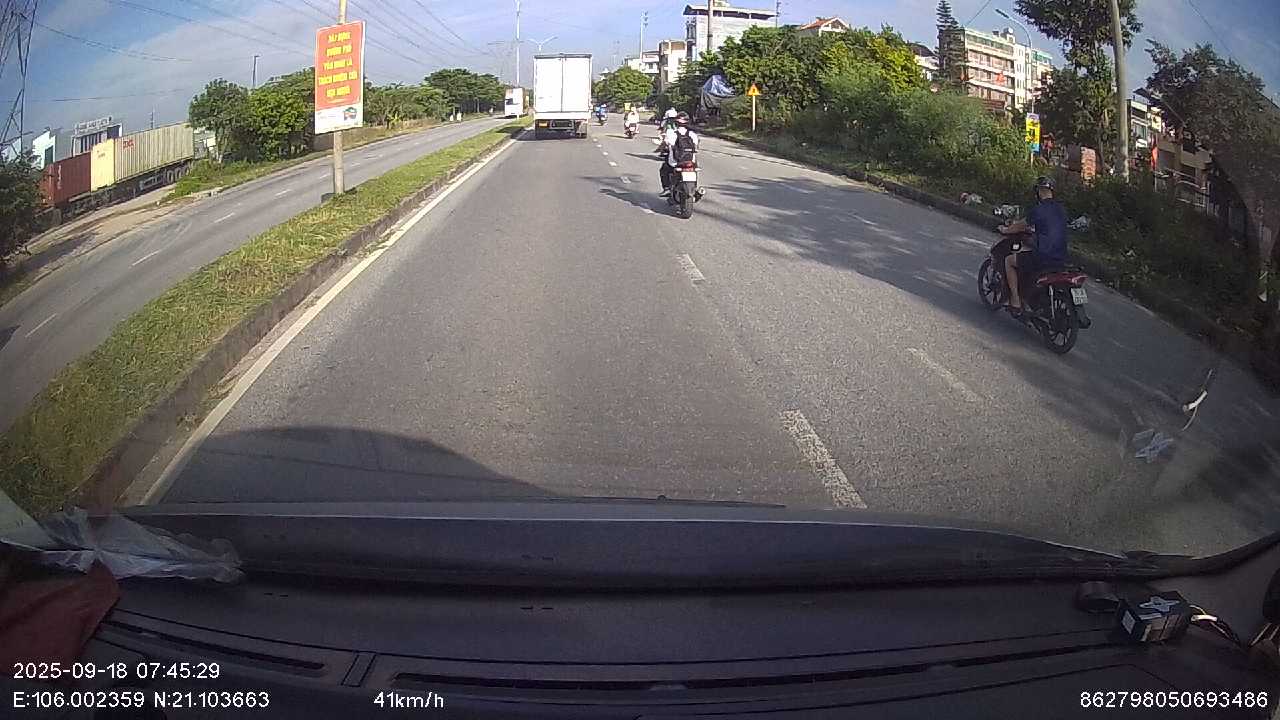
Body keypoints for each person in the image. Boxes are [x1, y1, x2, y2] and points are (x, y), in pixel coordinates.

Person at [997, 175, 1068, 313]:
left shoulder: (1039, 209)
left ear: (1039, 191)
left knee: (1009, 261)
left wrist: (1005, 230)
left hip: (1043, 257)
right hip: (1061, 258)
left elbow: (1020, 226)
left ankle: (1015, 300)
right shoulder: (1061, 209)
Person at [659, 112, 699, 197]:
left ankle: (666, 188)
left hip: (675, 162)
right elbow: (696, 148)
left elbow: (665, 144)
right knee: (695, 169)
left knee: (664, 169)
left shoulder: (671, 133)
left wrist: (661, 150)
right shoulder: (693, 134)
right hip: (690, 161)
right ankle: (695, 188)